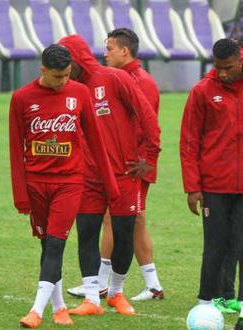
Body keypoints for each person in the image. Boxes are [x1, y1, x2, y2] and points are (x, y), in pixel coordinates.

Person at [9, 44, 118, 328]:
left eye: (68, 75)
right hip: (36, 184)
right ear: (43, 70)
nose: (63, 82)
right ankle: (59, 309)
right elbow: (15, 150)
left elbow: (96, 140)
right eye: (58, 77)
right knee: (48, 247)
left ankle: (36, 310)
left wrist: (110, 184)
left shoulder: (79, 93)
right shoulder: (22, 99)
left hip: (70, 182)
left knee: (56, 243)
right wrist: (21, 195)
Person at [58, 34, 161, 316]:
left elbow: (147, 115)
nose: (65, 70)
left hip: (123, 173)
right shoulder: (69, 88)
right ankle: (92, 298)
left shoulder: (114, 78)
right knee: (87, 233)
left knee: (125, 234)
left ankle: (117, 293)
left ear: (78, 60)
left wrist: (149, 158)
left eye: (69, 63)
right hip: (88, 176)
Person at [180, 38, 243, 330]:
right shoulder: (201, 91)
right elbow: (189, 141)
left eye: (228, 67)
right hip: (214, 185)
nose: (222, 73)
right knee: (214, 246)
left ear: (241, 59)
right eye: (218, 68)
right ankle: (206, 305)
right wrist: (192, 186)